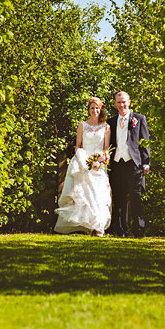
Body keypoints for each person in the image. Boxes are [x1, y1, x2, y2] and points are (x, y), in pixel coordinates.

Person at [54, 97, 112, 236]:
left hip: (99, 164)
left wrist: (102, 159)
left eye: (97, 108)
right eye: (92, 108)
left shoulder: (106, 127)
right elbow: (78, 146)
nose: (95, 110)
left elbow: (106, 148)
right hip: (83, 163)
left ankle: (98, 226)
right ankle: (85, 225)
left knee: (99, 195)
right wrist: (82, 160)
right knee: (84, 194)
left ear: (101, 109)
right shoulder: (82, 126)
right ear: (88, 110)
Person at [108, 91, 150, 238]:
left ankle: (138, 229)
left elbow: (144, 142)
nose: (121, 105)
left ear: (129, 102)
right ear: (115, 104)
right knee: (119, 198)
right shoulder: (111, 122)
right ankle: (121, 230)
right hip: (117, 163)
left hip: (134, 163)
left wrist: (146, 163)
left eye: (124, 102)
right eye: (119, 102)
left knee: (135, 197)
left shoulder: (139, 119)